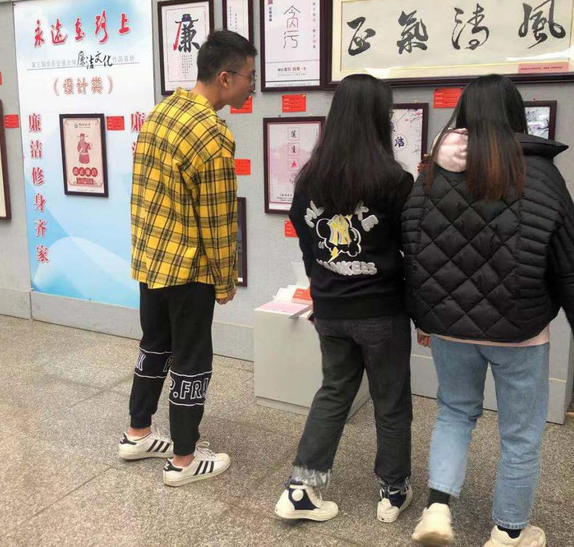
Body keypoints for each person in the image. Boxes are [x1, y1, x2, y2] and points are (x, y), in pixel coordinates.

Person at [402, 74, 574, 547]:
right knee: (520, 434)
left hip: (449, 327)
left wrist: (424, 317)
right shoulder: (538, 174)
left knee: (454, 413)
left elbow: (413, 250)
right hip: (521, 330)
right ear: (516, 115)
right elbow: (571, 257)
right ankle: (509, 531)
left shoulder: (431, 174)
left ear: (464, 114)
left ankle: (437, 509)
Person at [117, 30, 257, 487]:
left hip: (151, 258)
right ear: (225, 78)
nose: (252, 86)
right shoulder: (212, 134)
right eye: (250, 77)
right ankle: (183, 458)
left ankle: (138, 432)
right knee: (192, 358)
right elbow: (218, 220)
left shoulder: (161, 112)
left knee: (154, 345)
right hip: (189, 266)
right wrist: (225, 280)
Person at [274, 74, 415, 524]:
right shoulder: (396, 182)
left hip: (331, 309)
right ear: (378, 119)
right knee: (390, 400)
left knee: (334, 392)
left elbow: (307, 247)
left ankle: (302, 488)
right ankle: (393, 491)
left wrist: (322, 290)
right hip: (382, 311)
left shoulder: (309, 180)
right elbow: (412, 250)